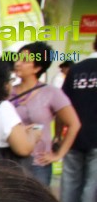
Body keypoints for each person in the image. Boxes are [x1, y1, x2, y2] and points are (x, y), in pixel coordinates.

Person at [11, 42, 81, 187]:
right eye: (17, 59)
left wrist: (59, 154)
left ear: (37, 67)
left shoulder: (51, 93)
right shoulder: (7, 92)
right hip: (9, 162)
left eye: (24, 61)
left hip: (38, 165)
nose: (18, 63)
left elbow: (74, 124)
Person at [62, 37, 97, 202]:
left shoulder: (75, 70)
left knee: (69, 185)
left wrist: (60, 136)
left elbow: (62, 104)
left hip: (74, 137)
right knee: (92, 190)